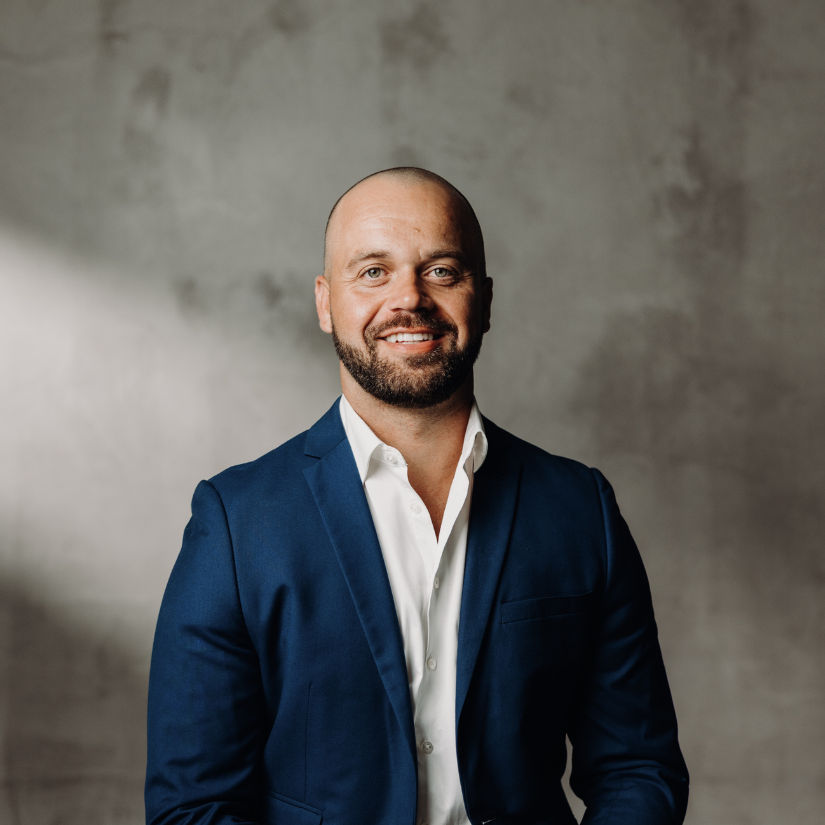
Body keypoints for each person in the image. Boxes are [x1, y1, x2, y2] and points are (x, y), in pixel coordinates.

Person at [145, 168, 689, 825]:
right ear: (325, 302)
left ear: (484, 299)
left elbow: (637, 768)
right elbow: (193, 807)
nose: (409, 298)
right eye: (373, 271)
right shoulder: (237, 523)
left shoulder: (579, 509)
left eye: (441, 271)